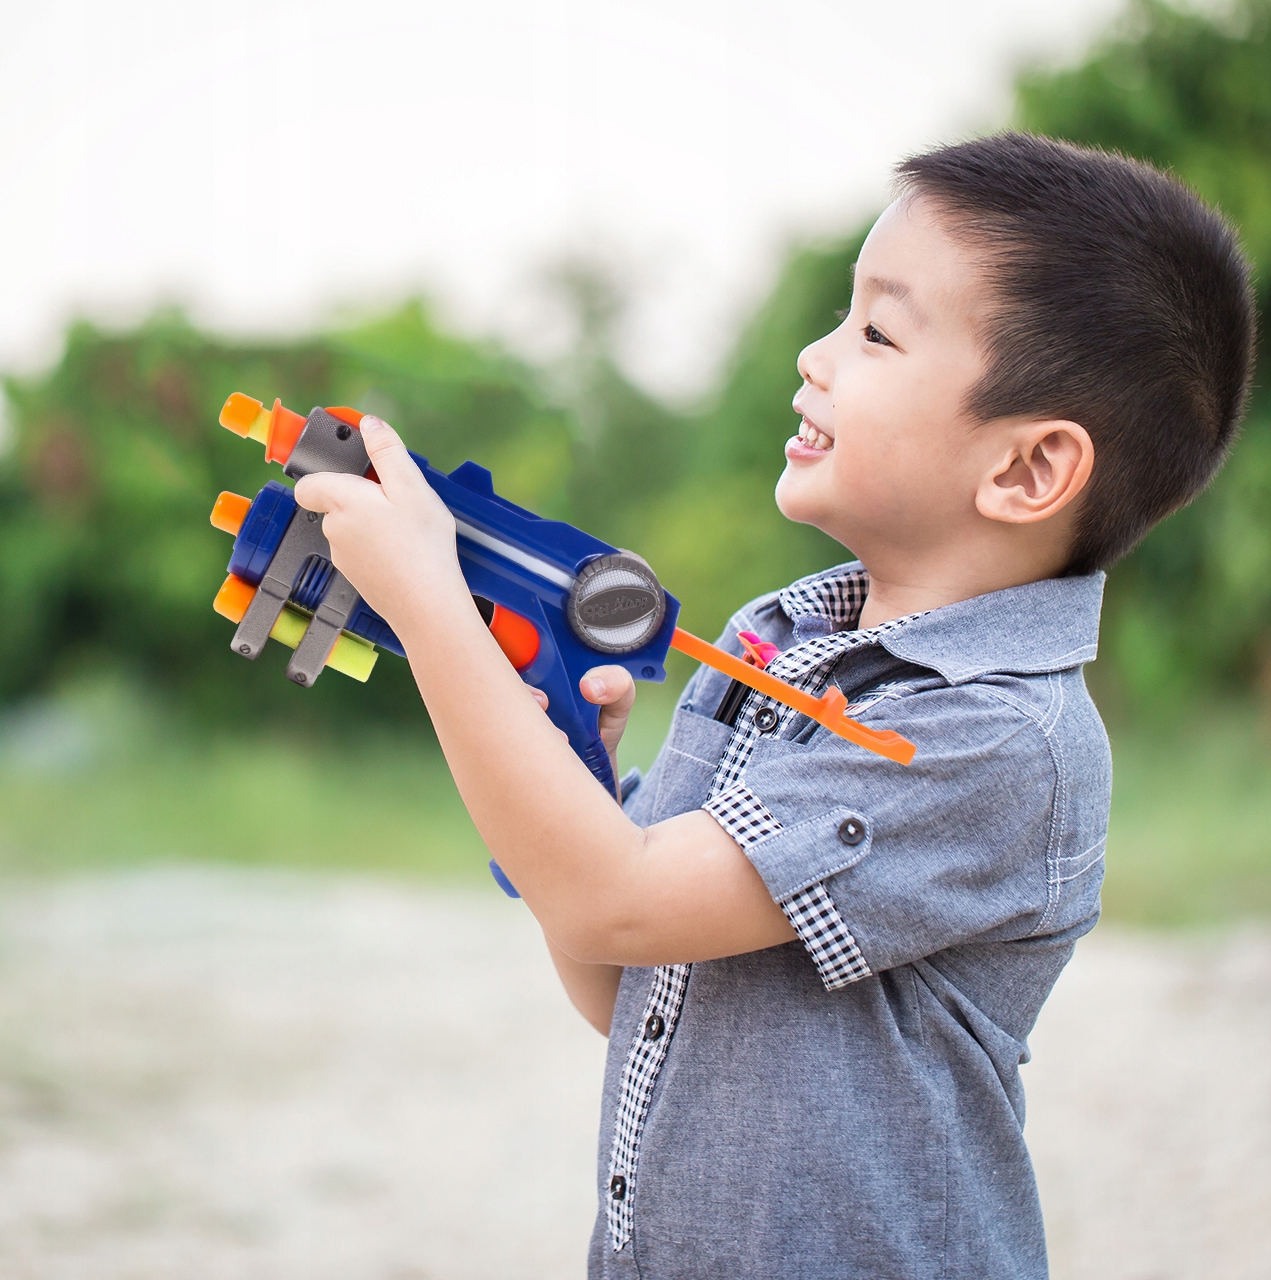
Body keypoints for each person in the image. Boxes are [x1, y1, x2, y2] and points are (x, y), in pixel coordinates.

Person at [294, 134, 1255, 1279]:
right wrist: (570, 784)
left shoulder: (995, 738)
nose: (813, 355)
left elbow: (619, 904)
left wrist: (429, 598)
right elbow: (626, 985)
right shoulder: (773, 645)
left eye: (875, 332)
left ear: (1025, 471)